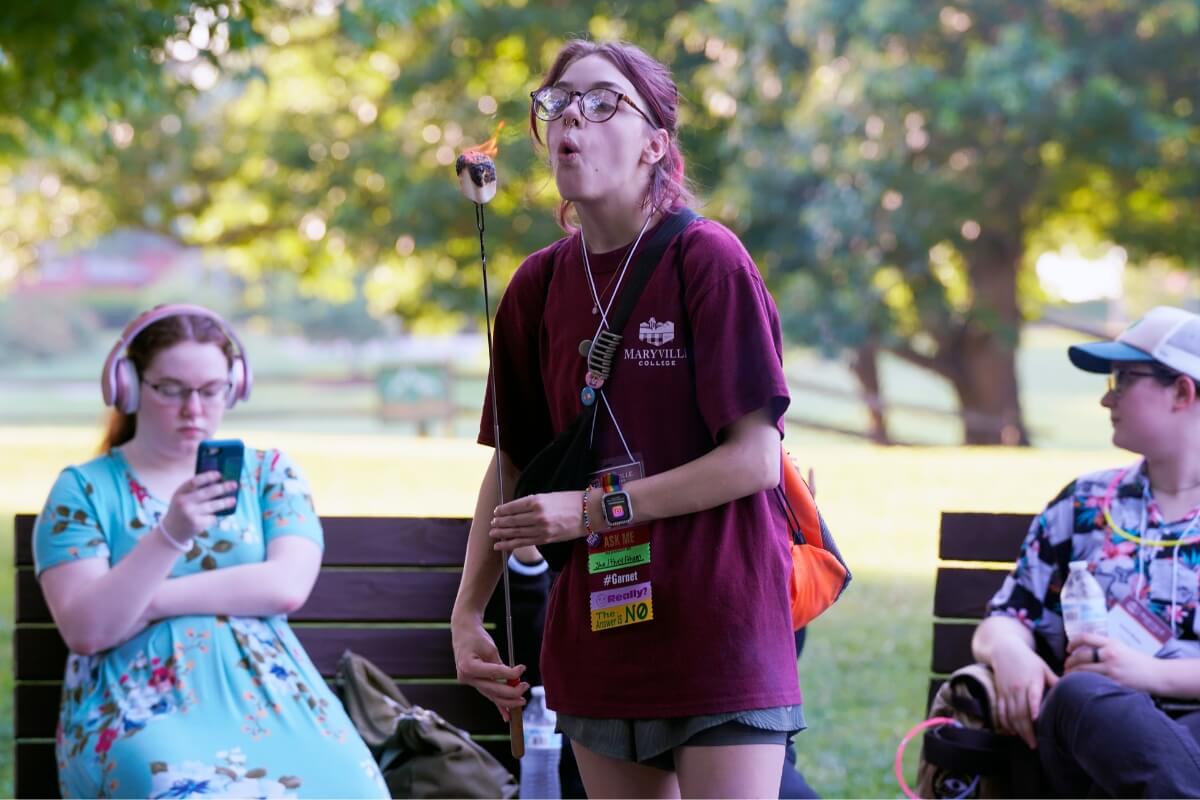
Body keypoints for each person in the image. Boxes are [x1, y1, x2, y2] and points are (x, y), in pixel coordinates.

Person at [451, 40, 801, 799]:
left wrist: (589, 509)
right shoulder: (536, 288)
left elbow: (753, 460)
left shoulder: (707, 261)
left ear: (655, 146)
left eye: (603, 99)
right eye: (557, 103)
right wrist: (467, 611)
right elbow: (511, 462)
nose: (572, 114)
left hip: (720, 629)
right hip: (600, 636)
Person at [33, 305, 388, 799]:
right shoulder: (83, 490)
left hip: (274, 698)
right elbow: (90, 629)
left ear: (236, 385)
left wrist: (147, 600)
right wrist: (170, 535)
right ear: (129, 386)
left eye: (211, 390)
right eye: (171, 389)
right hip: (139, 707)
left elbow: (284, 586)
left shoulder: (269, 474)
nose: (194, 409)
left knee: (355, 787)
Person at [973, 305, 1200, 797]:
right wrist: (1010, 651)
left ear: (1182, 391)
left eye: (1122, 379)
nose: (1105, 398)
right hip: (1088, 732)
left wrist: (1151, 674)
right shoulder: (1085, 503)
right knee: (1080, 695)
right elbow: (1007, 615)